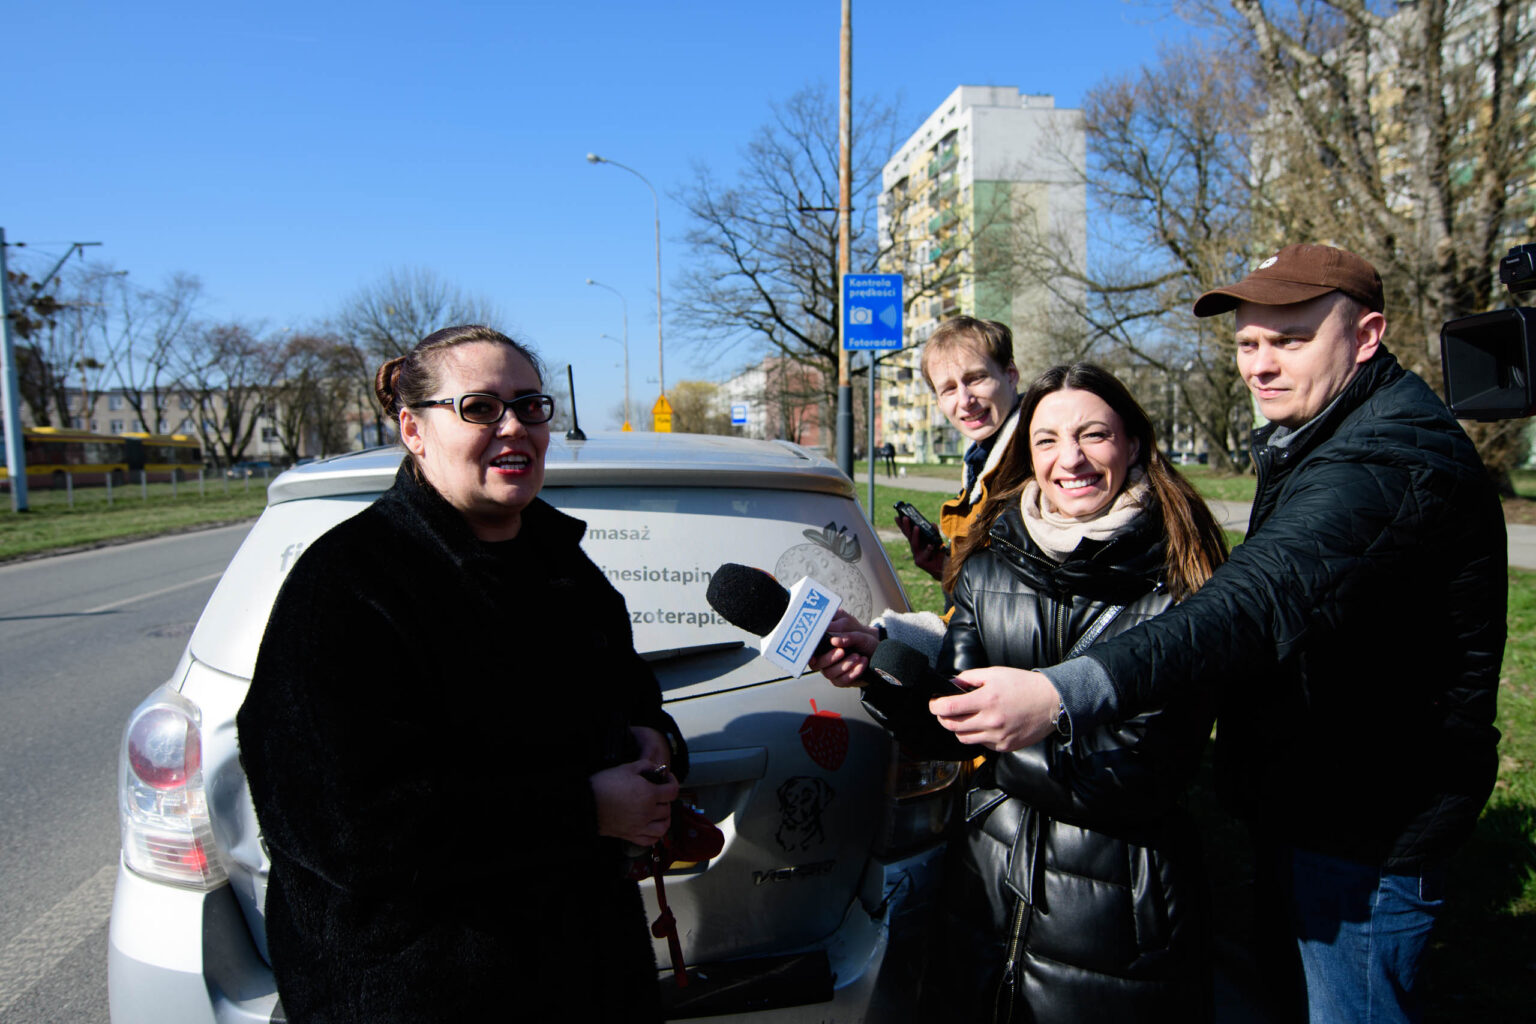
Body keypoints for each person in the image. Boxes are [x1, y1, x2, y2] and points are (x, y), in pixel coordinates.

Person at [931, 245, 1507, 1023]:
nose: (1261, 366)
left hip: (1369, 829)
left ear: (1366, 336)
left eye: (1292, 339)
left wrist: (1057, 693)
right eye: (1247, 344)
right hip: (1307, 803)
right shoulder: (1320, 430)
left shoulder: (1386, 459)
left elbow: (1252, 605)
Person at [236, 325, 687, 1023]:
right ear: (414, 430)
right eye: (479, 408)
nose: (514, 427)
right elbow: (345, 828)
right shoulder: (346, 586)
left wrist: (652, 735)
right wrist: (585, 809)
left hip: (588, 975)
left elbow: (627, 695)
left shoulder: (566, 567)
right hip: (426, 992)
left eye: (531, 406)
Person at [813, 363, 1229, 1021]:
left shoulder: (1185, 582)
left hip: (1119, 912)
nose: (1072, 460)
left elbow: (1138, 774)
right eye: (1048, 440)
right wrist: (878, 673)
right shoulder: (987, 564)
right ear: (1027, 455)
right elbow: (947, 723)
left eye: (1094, 435)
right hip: (985, 889)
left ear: (1132, 443)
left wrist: (995, 741)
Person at [898, 316, 1021, 587]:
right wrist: (945, 568)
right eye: (949, 389)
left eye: (976, 378)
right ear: (939, 401)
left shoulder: (1031, 461)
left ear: (1010, 375)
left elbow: (1010, 608)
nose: (965, 401)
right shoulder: (981, 459)